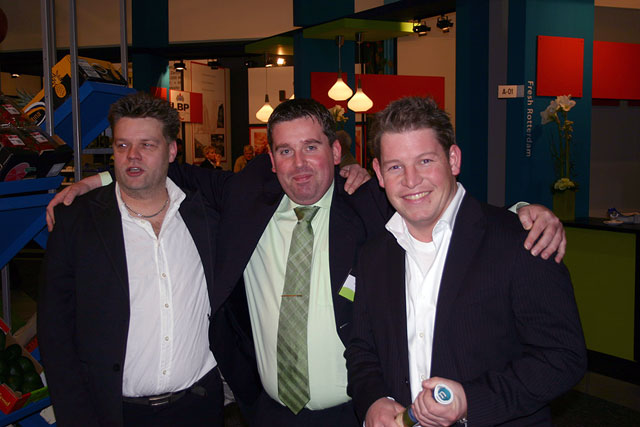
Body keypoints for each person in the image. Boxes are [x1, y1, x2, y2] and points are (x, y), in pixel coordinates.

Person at [46, 99, 566, 426]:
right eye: (285, 151)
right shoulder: (245, 197)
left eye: (312, 147)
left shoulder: (371, 202)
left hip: (357, 411)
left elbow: (440, 204)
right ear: (270, 159)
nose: (299, 165)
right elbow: (159, 166)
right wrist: (97, 180)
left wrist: (524, 212)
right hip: (266, 411)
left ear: (337, 153)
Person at [344, 97, 587, 427]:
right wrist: (374, 400)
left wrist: (471, 401)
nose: (411, 180)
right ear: (379, 173)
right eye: (395, 166)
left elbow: (563, 356)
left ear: (453, 159)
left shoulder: (520, 240)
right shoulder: (373, 255)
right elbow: (362, 348)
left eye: (425, 161)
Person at [38, 92, 228, 427]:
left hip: (199, 406)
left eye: (147, 145)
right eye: (122, 145)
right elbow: (55, 334)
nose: (132, 156)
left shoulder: (205, 215)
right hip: (114, 413)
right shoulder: (77, 222)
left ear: (171, 150)